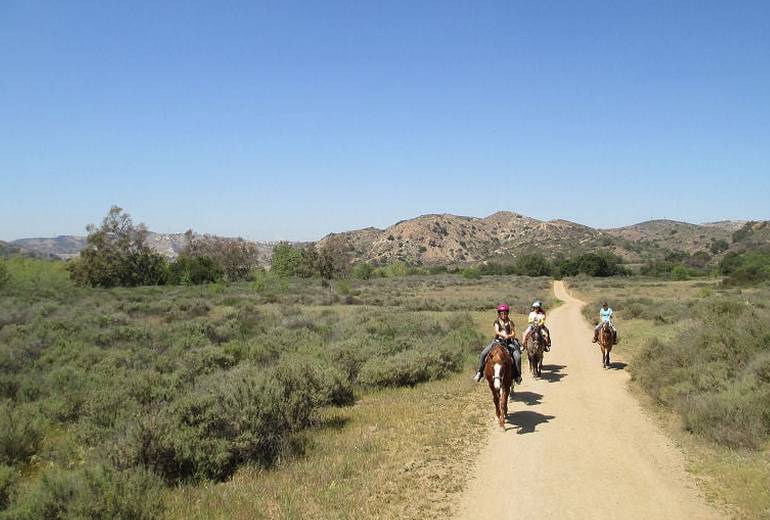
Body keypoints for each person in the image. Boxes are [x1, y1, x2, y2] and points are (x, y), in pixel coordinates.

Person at [473, 304, 522, 384]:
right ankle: (480, 372)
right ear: (499, 314)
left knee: (517, 357)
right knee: (483, 354)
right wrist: (503, 335)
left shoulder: (510, 322)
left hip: (508, 342)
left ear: (507, 313)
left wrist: (508, 336)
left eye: (505, 313)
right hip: (497, 342)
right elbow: (497, 331)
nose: (503, 315)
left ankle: (517, 375)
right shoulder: (497, 322)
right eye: (502, 313)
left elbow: (513, 333)